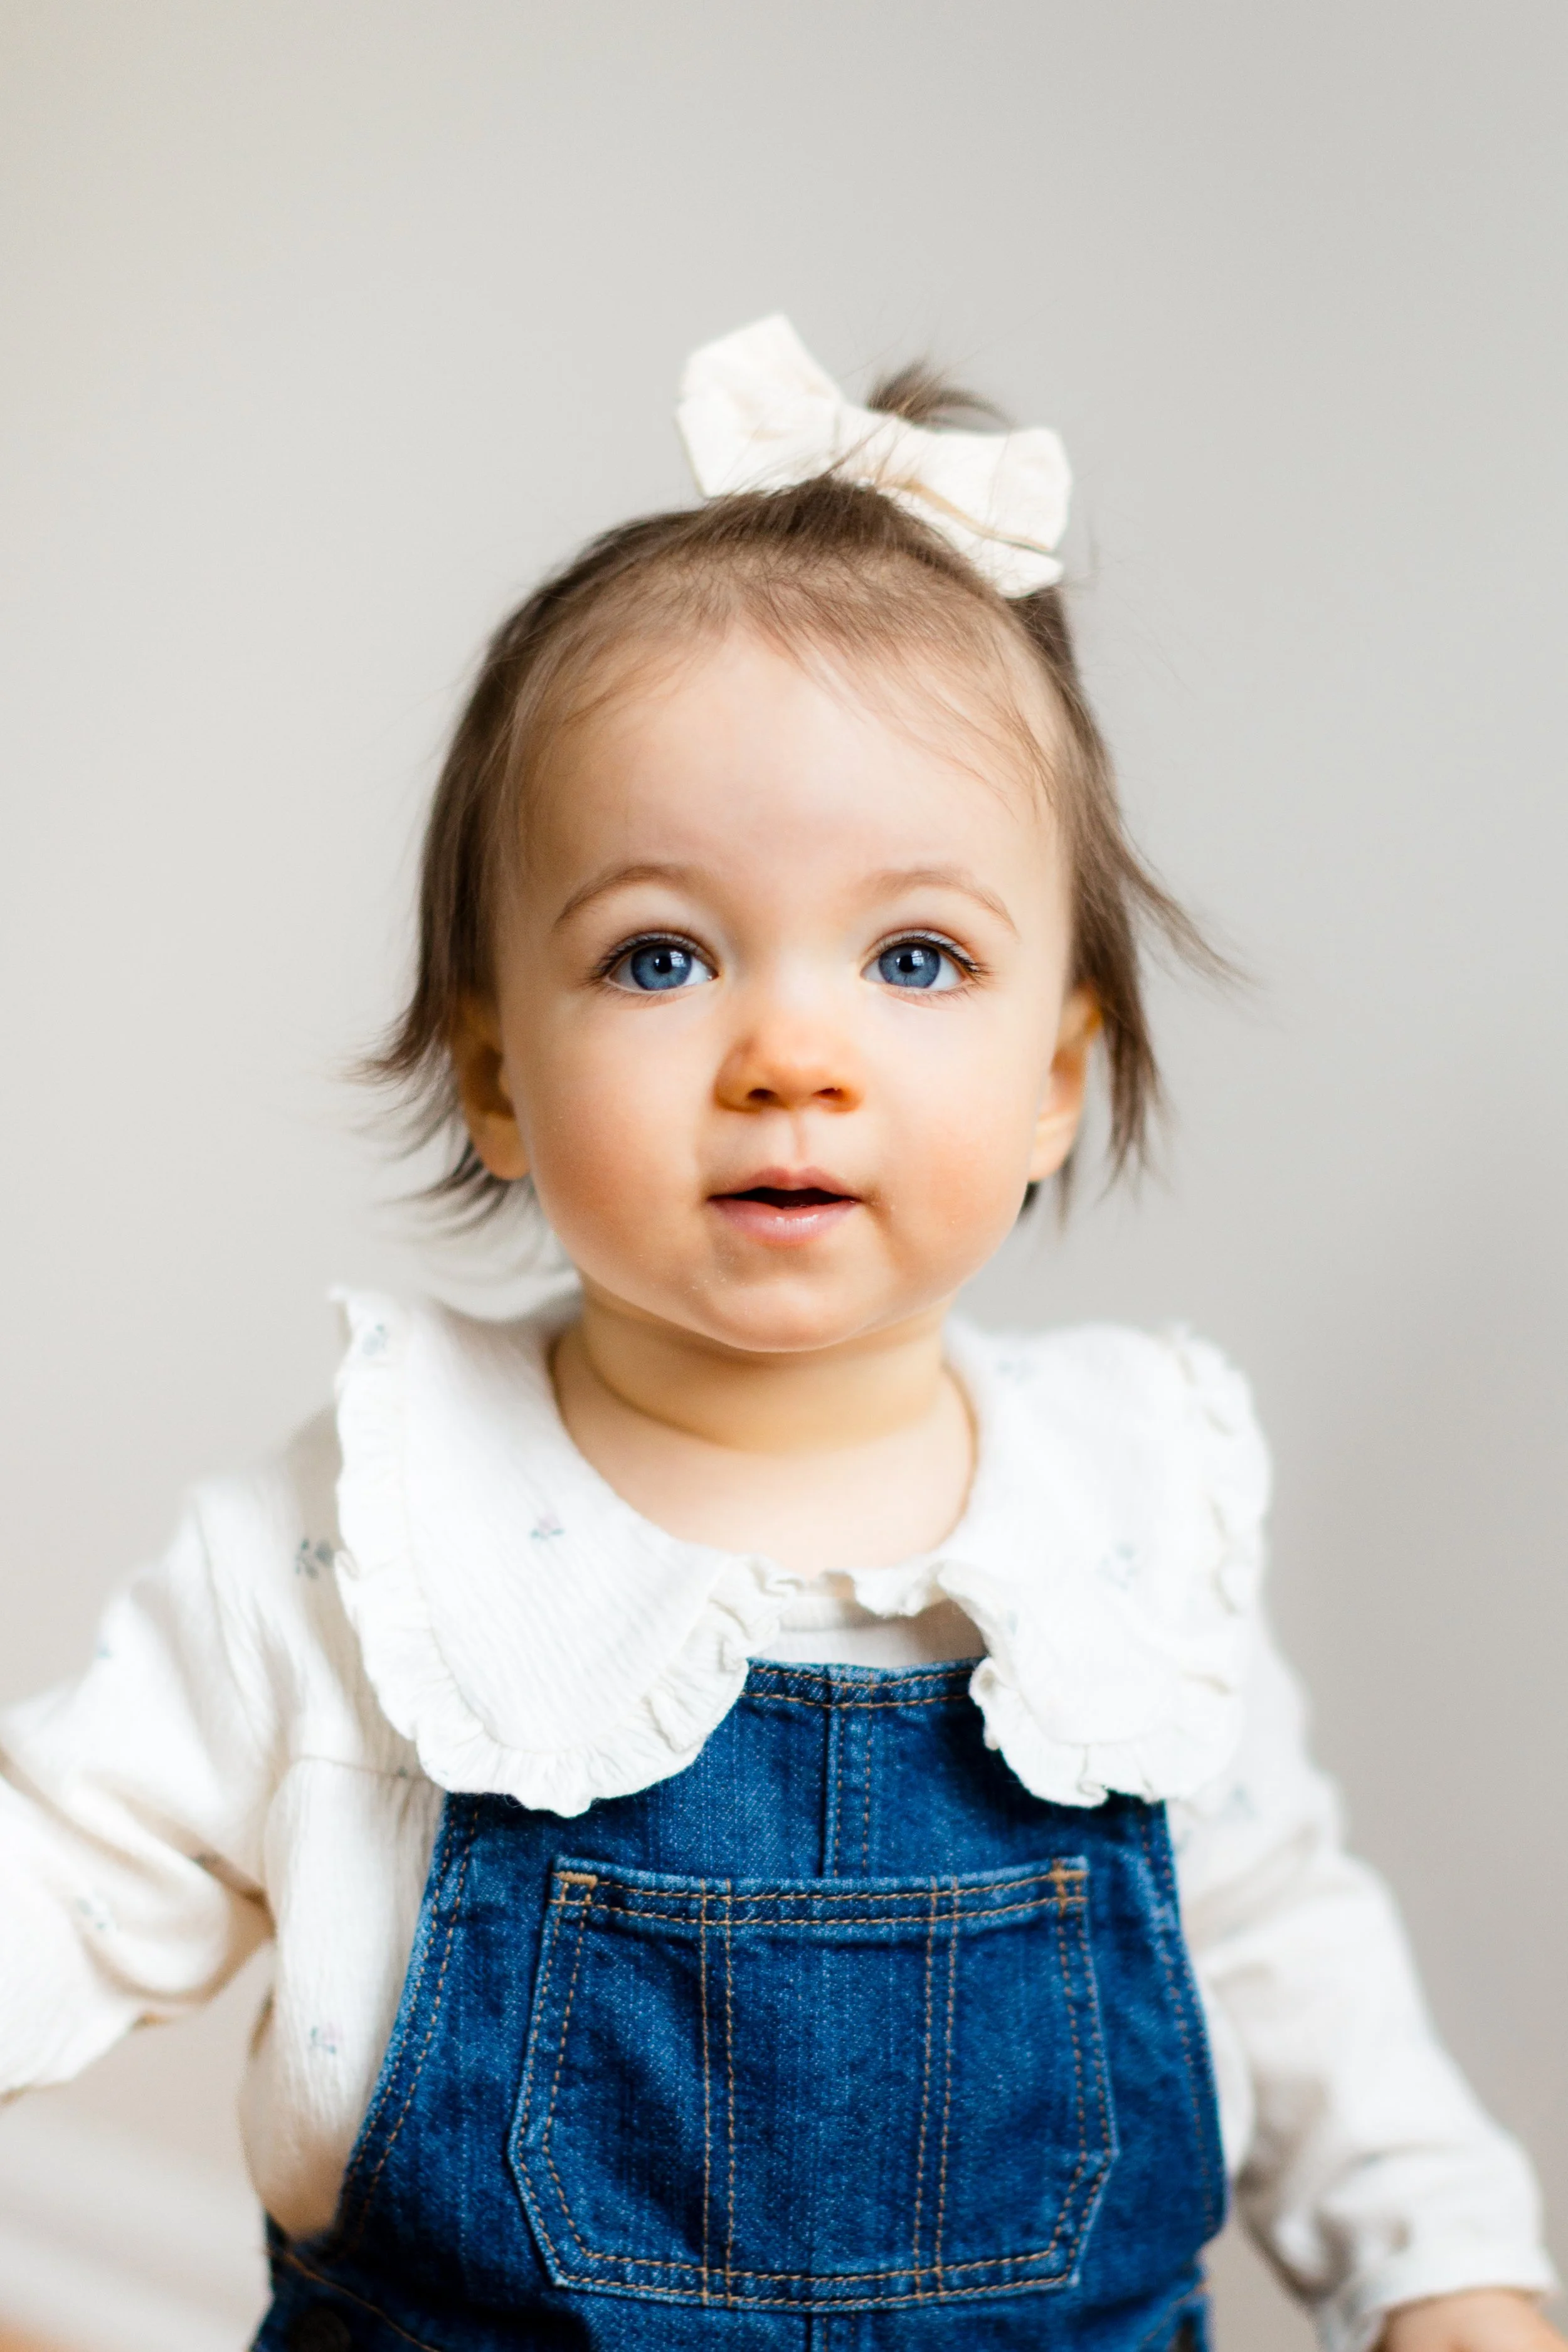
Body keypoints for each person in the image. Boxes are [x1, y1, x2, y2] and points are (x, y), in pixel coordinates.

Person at [0, 317, 1559, 2352]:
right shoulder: (365, 1542)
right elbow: (60, 1863)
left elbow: (1278, 1944)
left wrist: (1454, 2270)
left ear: (1055, 1079)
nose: (791, 1055)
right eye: (661, 954)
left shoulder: (1127, 1513)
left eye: (916, 955)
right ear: (492, 1071)